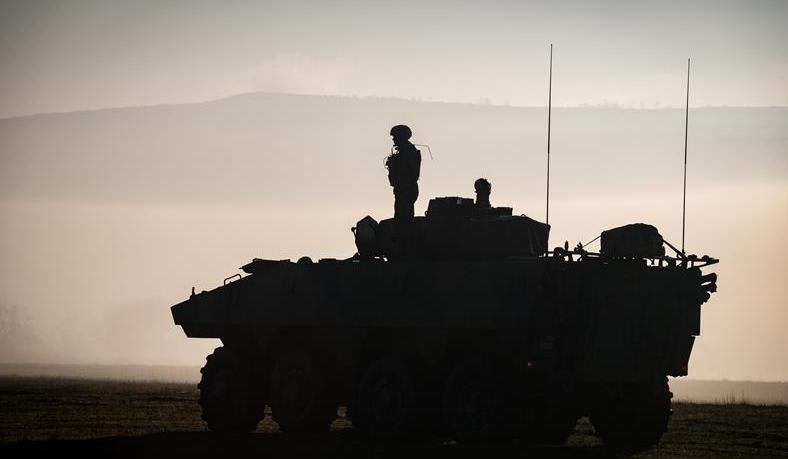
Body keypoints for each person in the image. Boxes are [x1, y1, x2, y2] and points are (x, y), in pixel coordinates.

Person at [385, 125, 421, 220]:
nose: (393, 139)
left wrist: (394, 164)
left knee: (403, 219)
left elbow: (408, 173)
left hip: (406, 189)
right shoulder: (405, 151)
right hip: (404, 188)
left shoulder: (408, 152)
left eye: (395, 136)